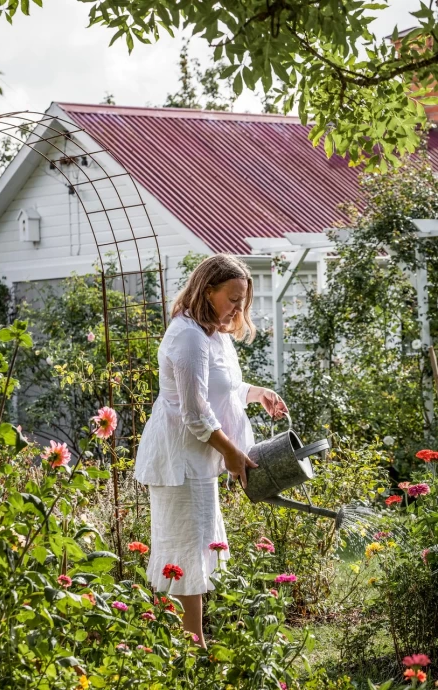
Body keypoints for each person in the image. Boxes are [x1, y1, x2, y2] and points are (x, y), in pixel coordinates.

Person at [134, 254, 288, 646]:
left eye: (243, 301)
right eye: (233, 299)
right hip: (179, 459)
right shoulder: (187, 337)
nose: (239, 308)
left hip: (198, 456)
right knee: (188, 546)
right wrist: (233, 453)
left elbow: (225, 388)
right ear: (208, 291)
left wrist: (259, 394)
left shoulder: (212, 334)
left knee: (199, 543)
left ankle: (189, 640)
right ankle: (193, 644)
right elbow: (195, 412)